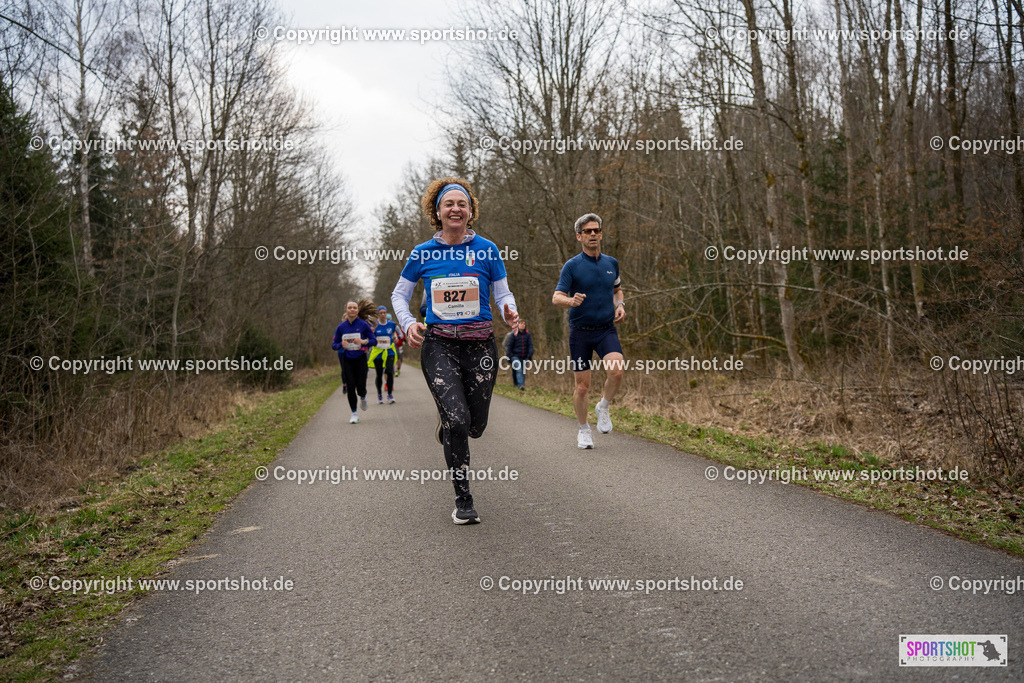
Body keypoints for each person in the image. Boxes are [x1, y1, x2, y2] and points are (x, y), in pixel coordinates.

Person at [391, 177, 518, 525]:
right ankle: (463, 500)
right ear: (438, 212)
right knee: (458, 420)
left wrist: (509, 309)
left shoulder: (488, 250)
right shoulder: (423, 253)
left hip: (480, 344)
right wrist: (408, 323)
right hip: (439, 346)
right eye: (449, 204)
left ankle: (452, 425)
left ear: (470, 211)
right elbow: (399, 296)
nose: (456, 209)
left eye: (462, 203)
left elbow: (503, 292)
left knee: (475, 425)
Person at [552, 213, 626, 449]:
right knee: (582, 387)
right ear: (579, 236)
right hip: (580, 332)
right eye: (587, 231)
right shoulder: (572, 266)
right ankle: (584, 430)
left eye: (596, 230)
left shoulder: (611, 263)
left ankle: (603, 406)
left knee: (617, 371)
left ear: (601, 234)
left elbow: (617, 290)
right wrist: (571, 301)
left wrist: (620, 305)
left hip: (606, 329)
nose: (592, 234)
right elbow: (556, 297)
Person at [331, 300, 375, 424]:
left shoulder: (363, 325)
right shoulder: (341, 327)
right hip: (347, 359)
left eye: (354, 307)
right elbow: (334, 345)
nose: (352, 309)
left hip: (360, 358)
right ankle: (354, 413)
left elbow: (374, 340)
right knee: (350, 386)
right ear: (346, 310)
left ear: (357, 310)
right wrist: (341, 344)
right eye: (349, 307)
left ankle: (363, 396)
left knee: (360, 386)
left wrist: (363, 342)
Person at [368, 305, 398, 404]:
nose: (383, 315)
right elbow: (370, 338)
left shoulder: (392, 324)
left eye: (384, 312)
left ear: (386, 313)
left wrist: (395, 337)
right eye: (380, 313)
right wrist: (371, 333)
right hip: (378, 352)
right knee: (379, 374)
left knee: (389, 372)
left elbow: (394, 334)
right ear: (378, 314)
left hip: (389, 351)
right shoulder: (374, 325)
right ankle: (379, 395)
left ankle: (390, 394)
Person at [504, 320, 534, 390]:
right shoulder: (513, 334)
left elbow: (530, 345)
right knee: (519, 370)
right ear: (517, 325)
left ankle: (518, 384)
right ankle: (521, 385)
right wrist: (508, 356)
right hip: (515, 356)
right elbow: (510, 346)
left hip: (525, 356)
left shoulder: (527, 335)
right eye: (521, 323)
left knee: (522, 371)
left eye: (523, 324)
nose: (522, 325)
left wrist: (530, 354)